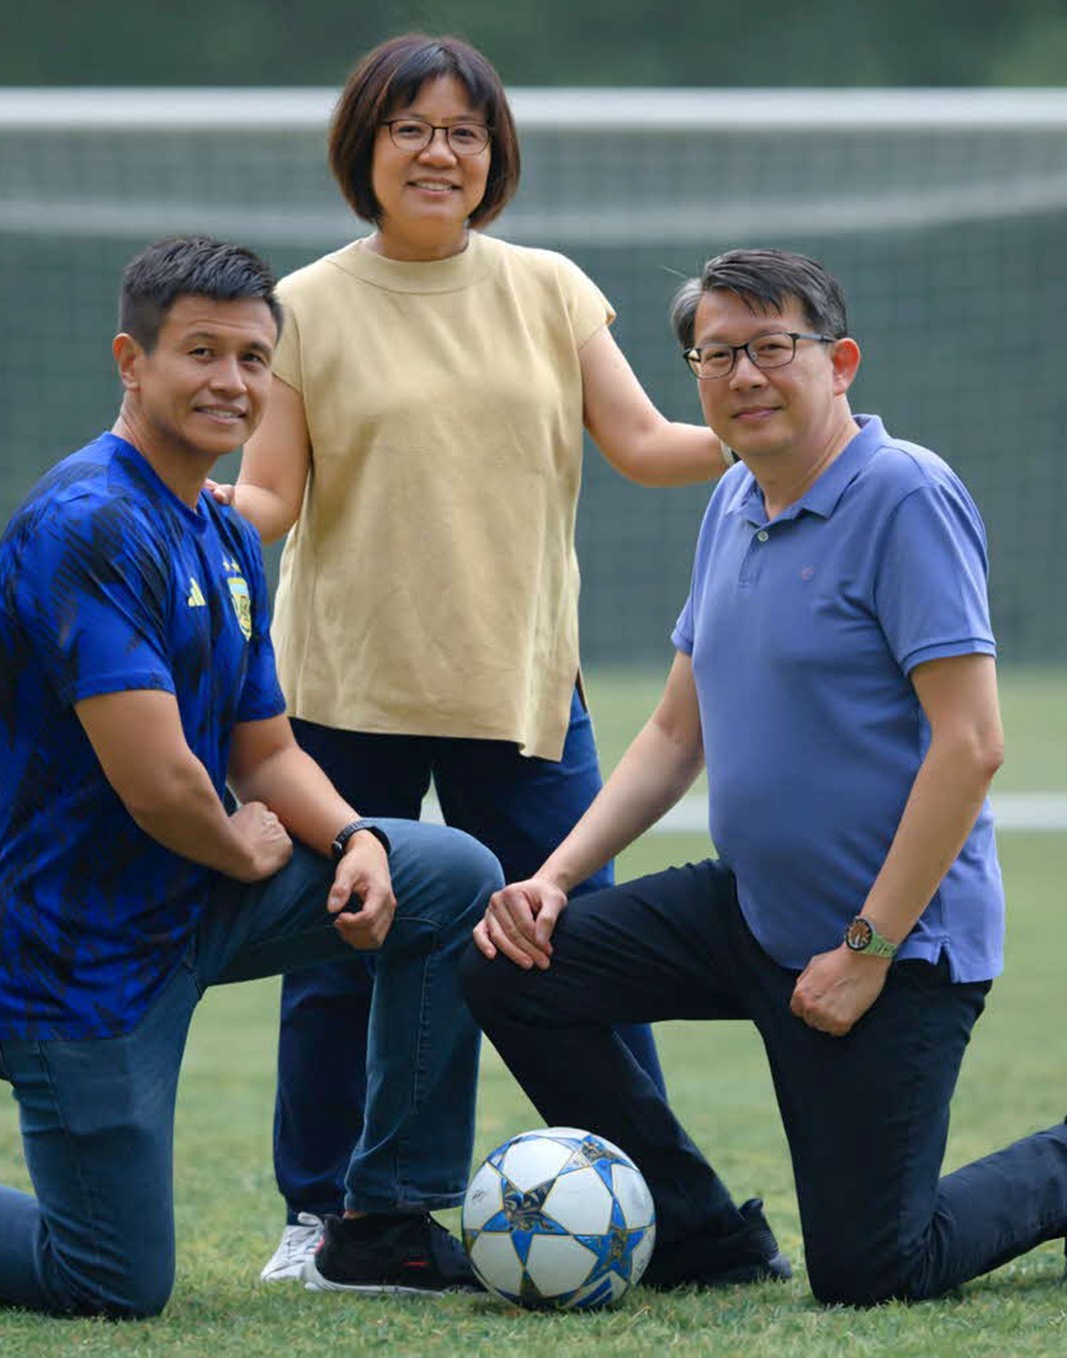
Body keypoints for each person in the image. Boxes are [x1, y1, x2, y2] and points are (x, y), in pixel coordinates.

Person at [0, 235, 502, 1318]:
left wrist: (354, 837)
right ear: (131, 359)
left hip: (192, 896)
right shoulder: (87, 523)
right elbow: (166, 787)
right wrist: (243, 846)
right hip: (74, 952)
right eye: (201, 351)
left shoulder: (222, 535)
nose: (231, 380)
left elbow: (261, 751)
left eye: (254, 358)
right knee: (111, 1277)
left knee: (447, 870)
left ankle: (384, 1221)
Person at [460, 249, 1067, 1302]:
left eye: (769, 347)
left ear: (837, 360)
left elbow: (969, 744)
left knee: (874, 1269)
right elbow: (669, 732)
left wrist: (868, 949)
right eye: (715, 353)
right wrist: (553, 878)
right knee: (507, 961)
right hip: (748, 911)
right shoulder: (734, 498)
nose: (742, 374)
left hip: (893, 944)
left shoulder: (905, 496)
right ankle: (700, 1235)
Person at [215, 33, 730, 1285]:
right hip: (340, 691)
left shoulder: (550, 287)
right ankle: (322, 1216)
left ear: (493, 155)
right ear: (366, 149)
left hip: (520, 689)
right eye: (410, 128)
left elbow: (649, 443)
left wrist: (781, 426)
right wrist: (161, 502)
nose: (438, 151)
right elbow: (271, 494)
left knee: (586, 941)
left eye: (464, 131)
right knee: (343, 948)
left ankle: (652, 1201)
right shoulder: (306, 306)